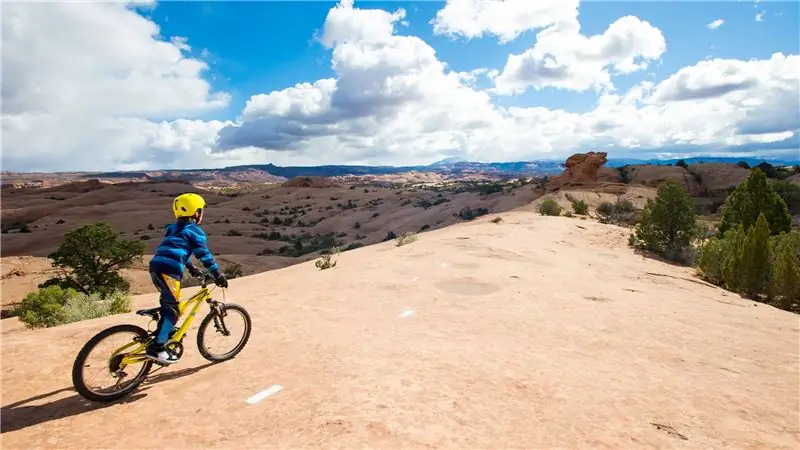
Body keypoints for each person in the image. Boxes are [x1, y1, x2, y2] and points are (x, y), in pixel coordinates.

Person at [146, 192, 228, 364]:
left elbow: (179, 250)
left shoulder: (173, 228)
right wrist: (217, 275)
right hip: (168, 271)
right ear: (195, 212)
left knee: (168, 304)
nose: (201, 213)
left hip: (156, 267)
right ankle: (157, 348)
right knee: (174, 310)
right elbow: (204, 255)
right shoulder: (195, 232)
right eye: (200, 210)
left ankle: (164, 332)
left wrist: (191, 268)